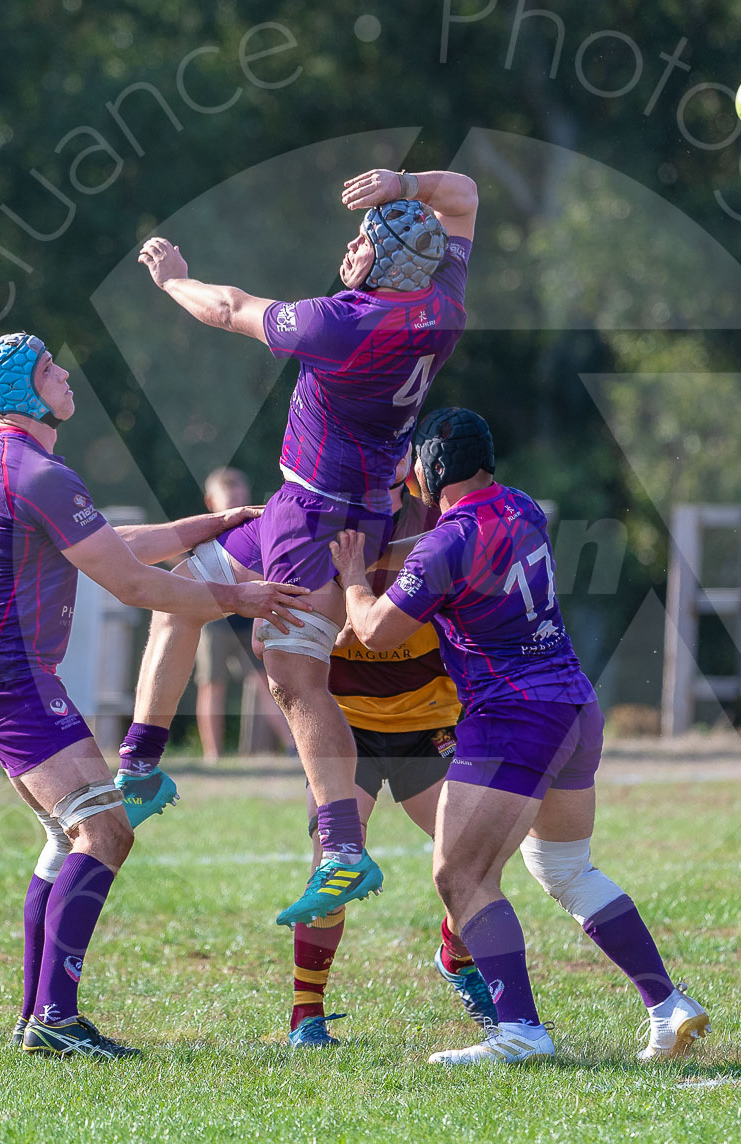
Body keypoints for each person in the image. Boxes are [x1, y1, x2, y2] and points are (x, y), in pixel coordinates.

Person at [119, 167, 478, 927]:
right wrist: (408, 182)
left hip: (321, 516)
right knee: (184, 595)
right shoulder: (442, 305)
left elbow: (228, 307)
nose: (349, 246)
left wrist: (171, 281)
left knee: (291, 676)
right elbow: (467, 198)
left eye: (362, 241)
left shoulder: (338, 324)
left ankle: (344, 849)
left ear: (381, 265)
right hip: (322, 503)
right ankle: (140, 766)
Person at [0, 331, 307, 1060]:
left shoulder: (19, 464)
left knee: (69, 837)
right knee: (106, 833)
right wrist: (239, 597)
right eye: (50, 369)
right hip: (8, 679)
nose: (64, 373)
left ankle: (37, 1016)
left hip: (4, 675)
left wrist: (212, 525)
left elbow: (114, 545)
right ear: (24, 391)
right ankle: (54, 1015)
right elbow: (134, 584)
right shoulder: (37, 472)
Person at [330, 408, 711, 1066]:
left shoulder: (446, 544)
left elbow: (377, 632)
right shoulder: (523, 507)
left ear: (429, 473)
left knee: (458, 876)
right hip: (572, 706)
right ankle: (667, 1004)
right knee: (564, 868)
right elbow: (447, 548)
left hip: (512, 716)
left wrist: (354, 579)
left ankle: (521, 1032)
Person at [285, 457, 494, 1048]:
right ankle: (307, 1013)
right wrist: (348, 611)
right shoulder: (314, 529)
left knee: (474, 857)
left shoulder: (440, 528)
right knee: (334, 862)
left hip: (428, 725)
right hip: (342, 726)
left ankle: (457, 958)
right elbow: (299, 643)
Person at [192, 467, 292, 762]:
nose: (238, 501)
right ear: (211, 501)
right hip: (213, 618)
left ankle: (291, 746)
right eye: (229, 495)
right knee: (212, 684)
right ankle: (213, 754)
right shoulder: (203, 529)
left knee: (265, 681)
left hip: (250, 617)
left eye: (241, 495)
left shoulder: (258, 526)